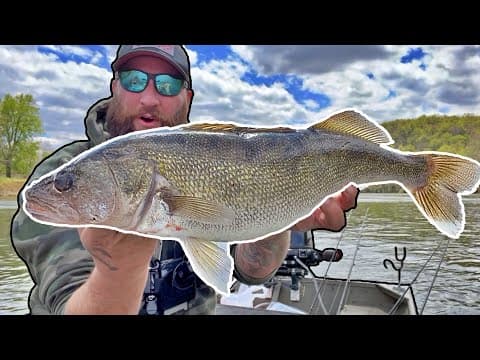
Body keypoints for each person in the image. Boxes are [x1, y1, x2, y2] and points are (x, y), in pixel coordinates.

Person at [11, 45, 359, 315]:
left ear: (187, 98)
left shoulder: (219, 157)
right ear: (114, 87)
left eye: (167, 84)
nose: (149, 97)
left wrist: (280, 219)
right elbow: (64, 299)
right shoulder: (64, 170)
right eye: (134, 80)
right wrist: (120, 267)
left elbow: (252, 271)